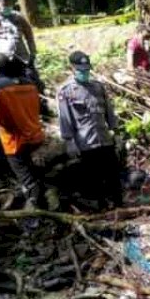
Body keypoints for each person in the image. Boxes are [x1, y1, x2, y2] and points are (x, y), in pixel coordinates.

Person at [57, 51, 123, 210]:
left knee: (113, 174)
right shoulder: (66, 91)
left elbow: (109, 111)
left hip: (104, 139)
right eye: (81, 70)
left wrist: (116, 132)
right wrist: (70, 142)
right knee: (94, 178)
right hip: (86, 143)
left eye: (87, 70)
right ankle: (101, 207)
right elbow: (65, 118)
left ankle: (119, 205)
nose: (84, 73)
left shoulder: (98, 87)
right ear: (72, 68)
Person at [0, 53, 45, 209]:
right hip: (35, 134)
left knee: (25, 176)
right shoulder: (28, 83)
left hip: (15, 140)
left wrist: (2, 121)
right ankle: (37, 190)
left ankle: (33, 210)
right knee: (27, 165)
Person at [0, 0, 48, 115]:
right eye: (2, 1)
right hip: (2, 60)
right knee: (7, 87)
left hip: (21, 57)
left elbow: (29, 35)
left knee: (34, 82)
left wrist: (33, 53)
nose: (5, 4)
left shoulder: (18, 17)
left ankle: (41, 108)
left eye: (7, 1)